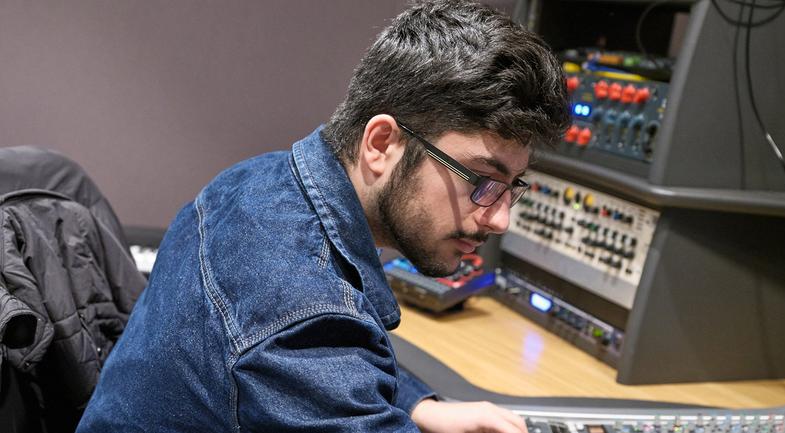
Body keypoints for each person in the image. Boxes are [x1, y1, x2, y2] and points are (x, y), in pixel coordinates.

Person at [77, 0, 569, 431]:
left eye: (511, 189)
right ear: (381, 145)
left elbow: (324, 371)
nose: (499, 219)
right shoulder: (304, 310)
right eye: (481, 180)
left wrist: (417, 403)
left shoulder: (260, 181)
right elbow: (307, 340)